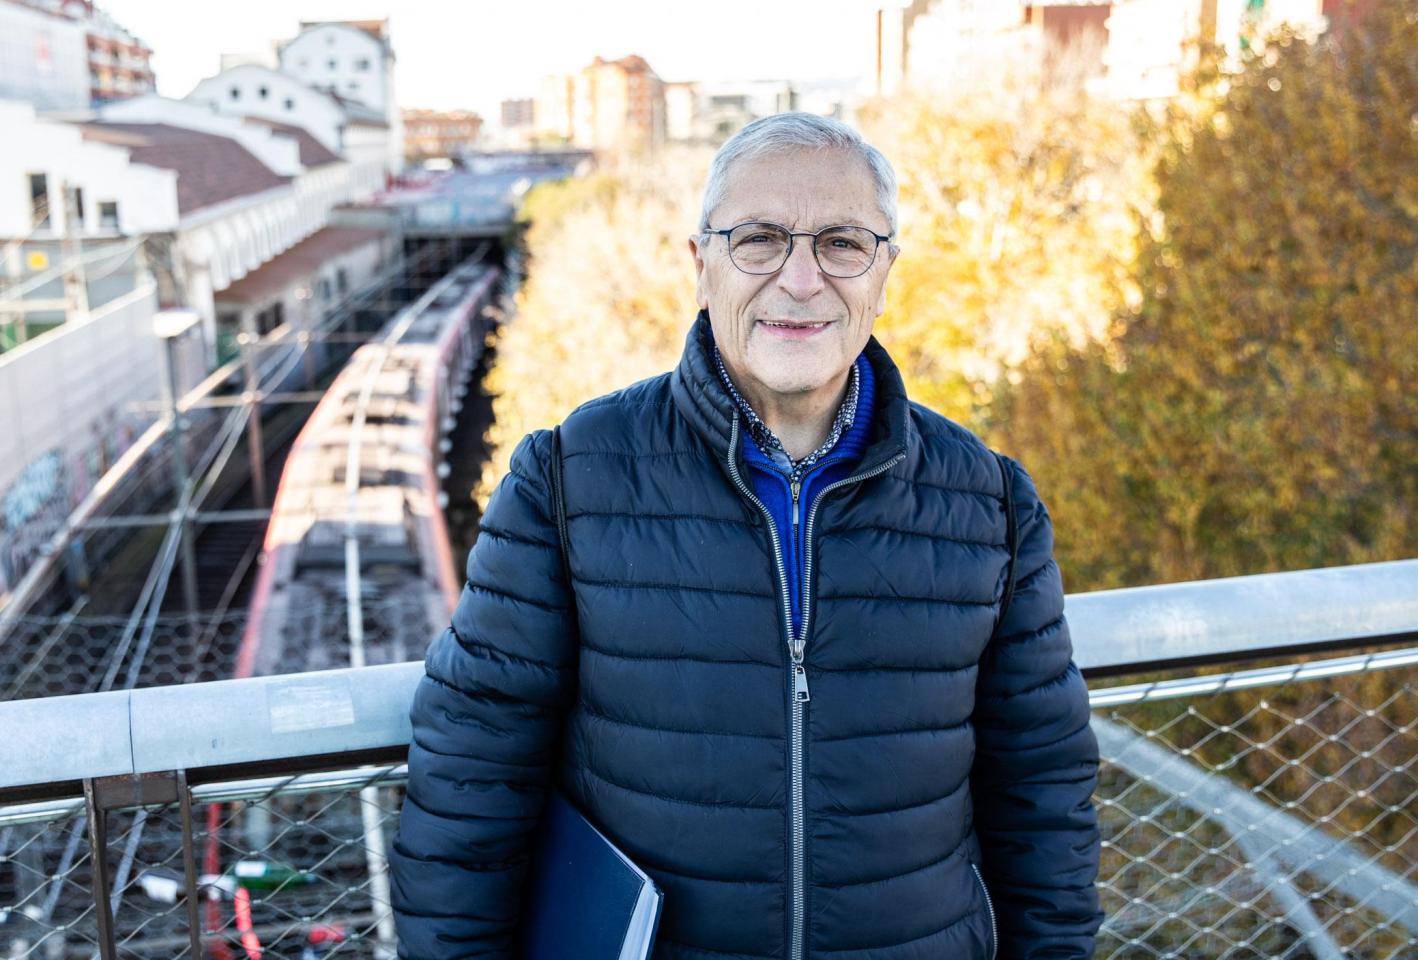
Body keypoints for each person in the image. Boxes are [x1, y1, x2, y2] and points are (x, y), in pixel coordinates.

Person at [388, 112, 1103, 959]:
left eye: (842, 243)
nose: (800, 279)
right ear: (702, 266)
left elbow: (1043, 793)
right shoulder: (570, 479)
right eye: (759, 240)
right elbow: (473, 774)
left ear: (885, 274)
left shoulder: (988, 501)